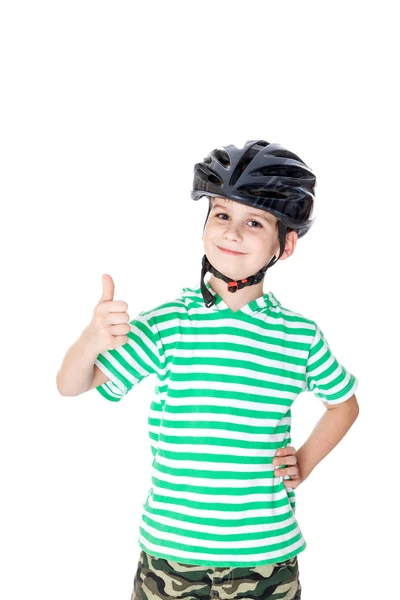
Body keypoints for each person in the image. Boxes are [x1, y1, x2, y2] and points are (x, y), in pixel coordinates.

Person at [56, 139, 359, 599]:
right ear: (203, 227)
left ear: (287, 244)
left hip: (266, 557)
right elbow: (71, 385)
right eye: (222, 215)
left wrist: (304, 462)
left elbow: (344, 405)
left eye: (253, 222)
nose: (232, 233)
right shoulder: (168, 324)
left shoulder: (300, 335)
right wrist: (91, 340)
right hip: (171, 555)